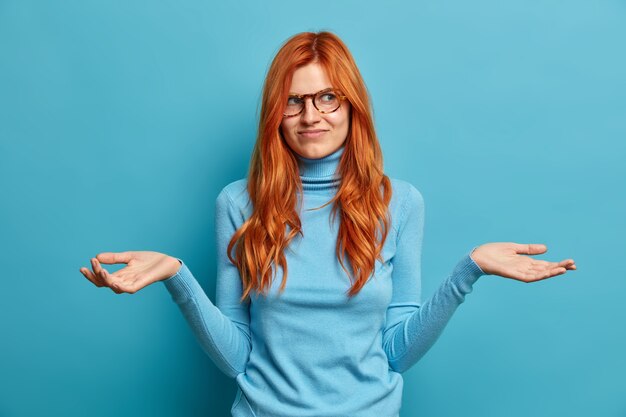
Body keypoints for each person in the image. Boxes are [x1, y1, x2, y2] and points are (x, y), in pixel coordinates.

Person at [79, 31, 577, 417]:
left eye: (327, 98)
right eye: (293, 101)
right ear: (276, 113)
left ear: (351, 106)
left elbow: (395, 352)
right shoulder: (237, 203)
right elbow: (237, 359)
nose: (310, 115)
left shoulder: (398, 203)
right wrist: (177, 277)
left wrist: (468, 271)